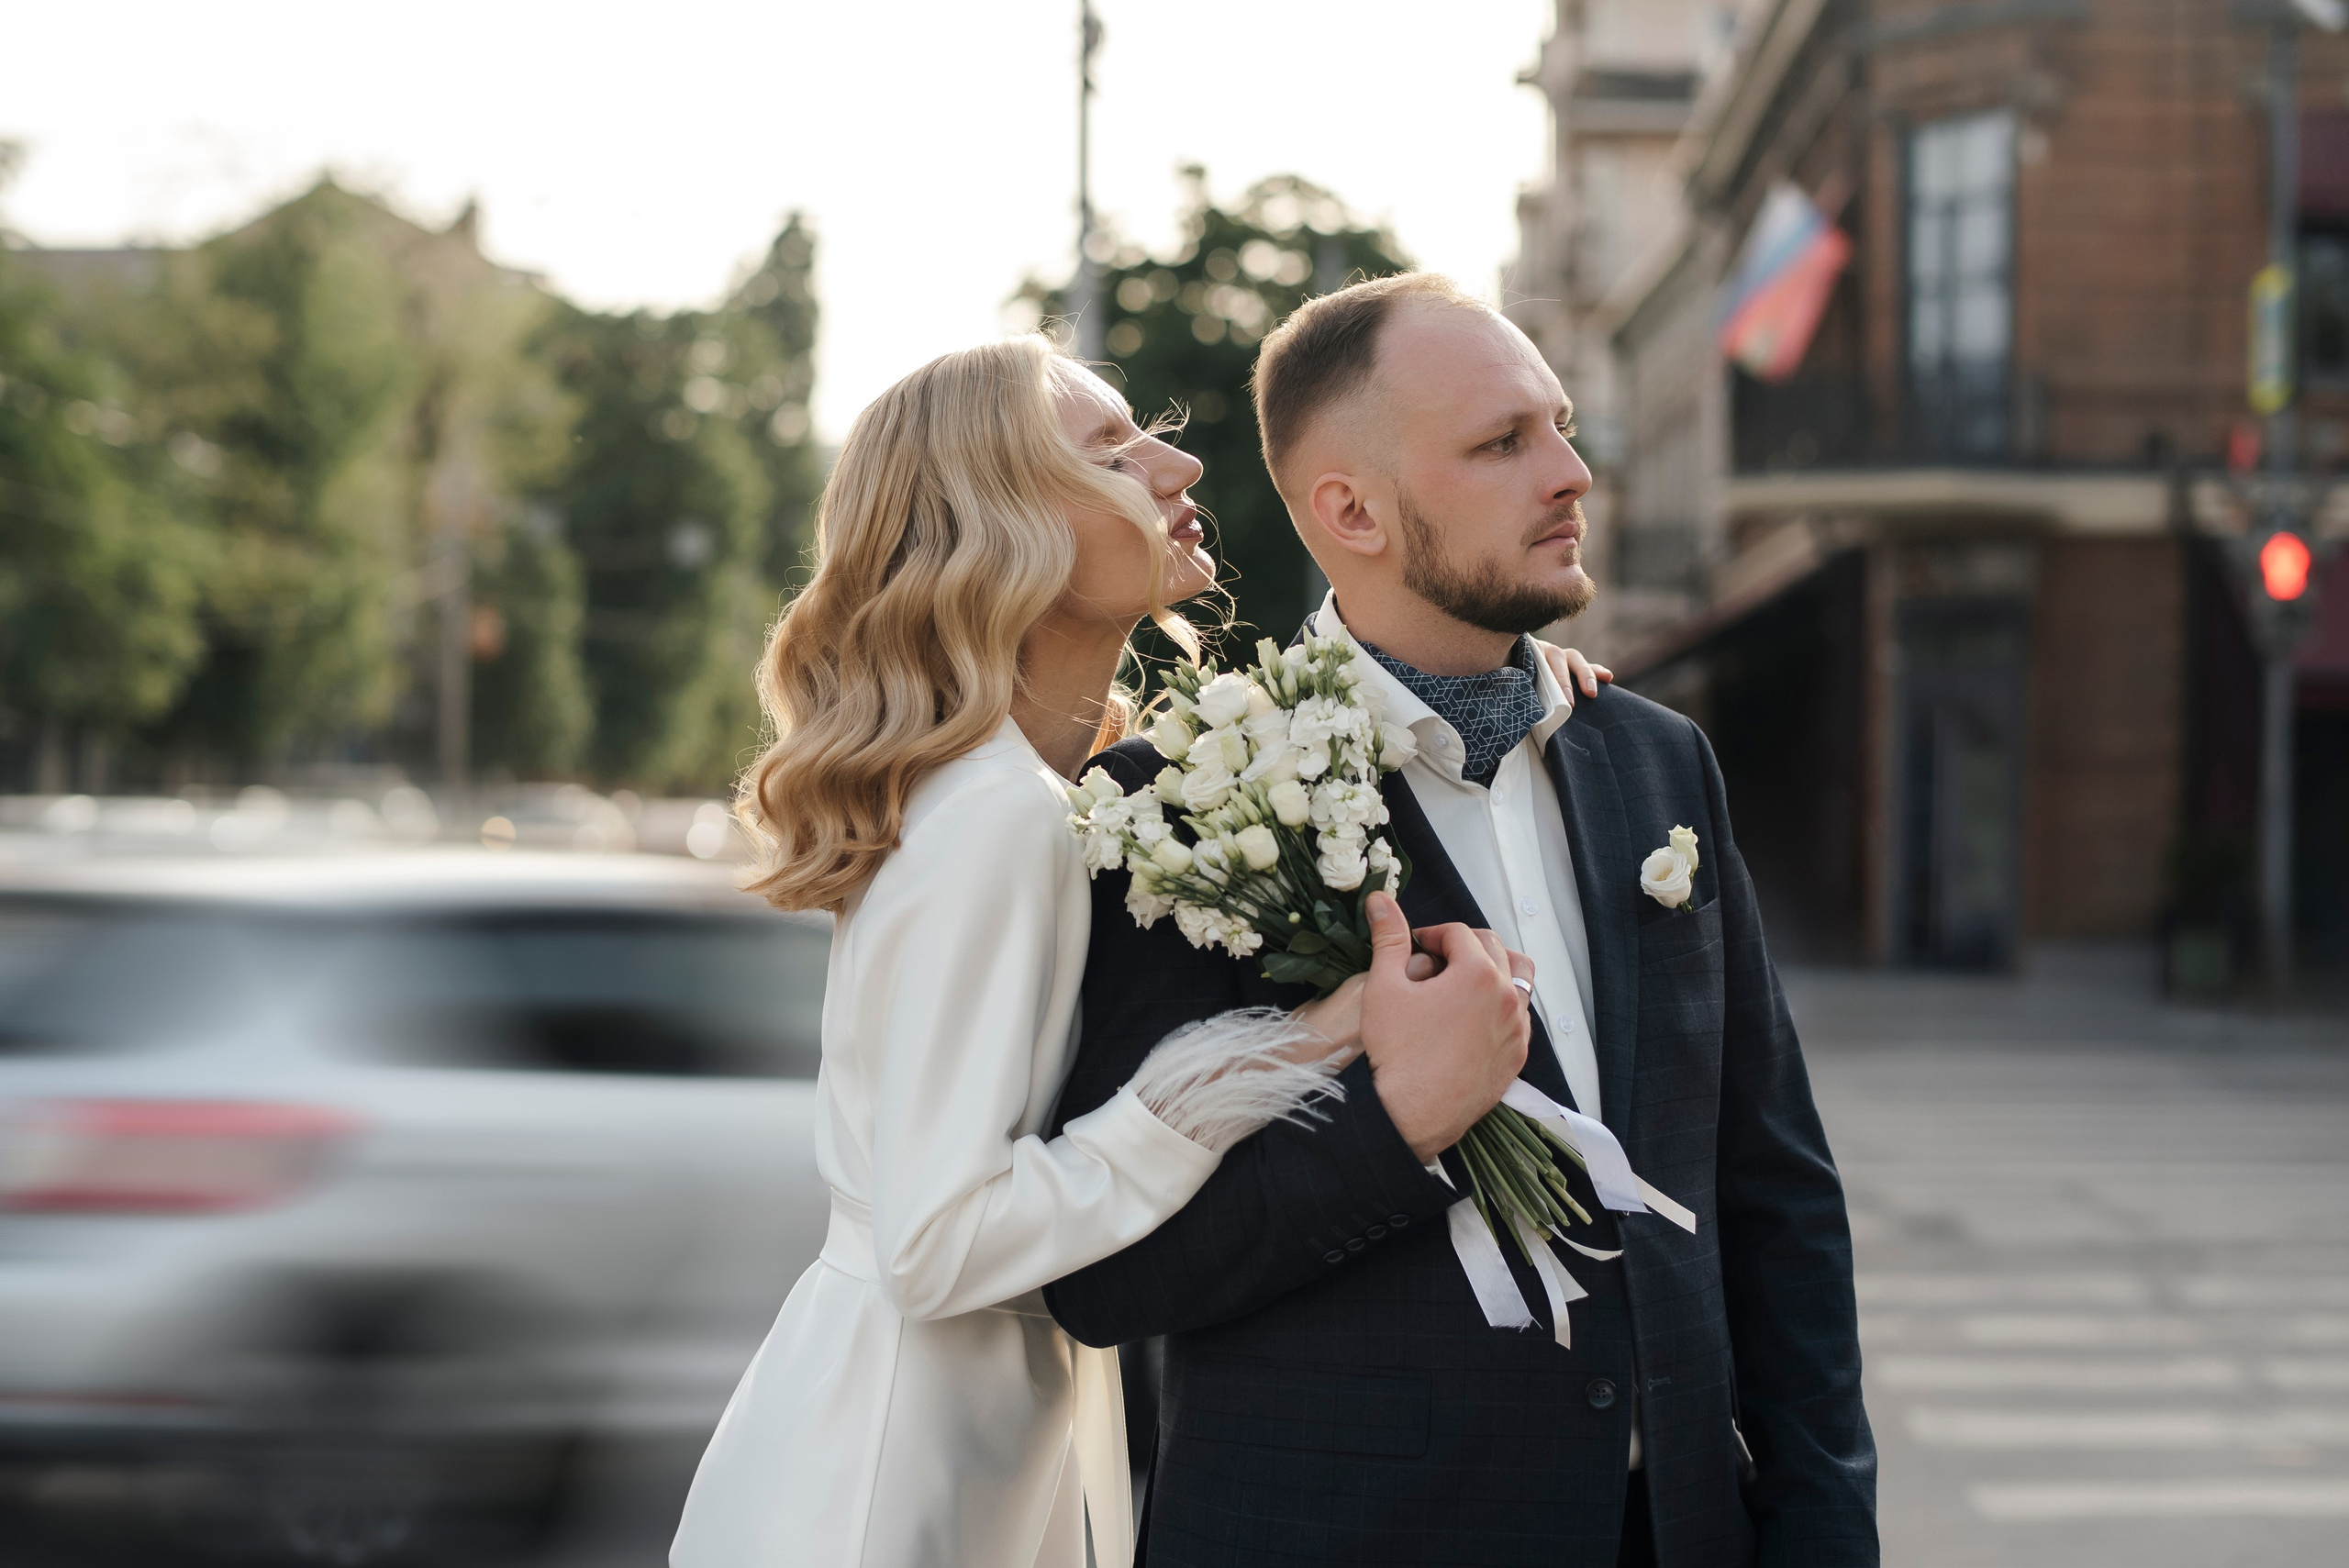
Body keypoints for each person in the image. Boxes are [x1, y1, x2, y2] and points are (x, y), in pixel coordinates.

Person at [668, 336, 1609, 1568]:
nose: (1177, 461)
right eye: (1111, 450)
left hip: (978, 1421)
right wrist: (1237, 1074)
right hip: (899, 1468)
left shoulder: (1047, 792)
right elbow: (937, 1239)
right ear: (1004, 528)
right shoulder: (994, 816)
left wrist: (1521, 684)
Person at [1045, 273, 1877, 1568]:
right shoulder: (1184, 806)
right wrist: (1394, 1128)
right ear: (1352, 509)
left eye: (1560, 425)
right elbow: (1111, 1277)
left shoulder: (1661, 764)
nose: (1571, 474)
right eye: (1503, 443)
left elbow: (1774, 1193)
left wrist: (1825, 1530)